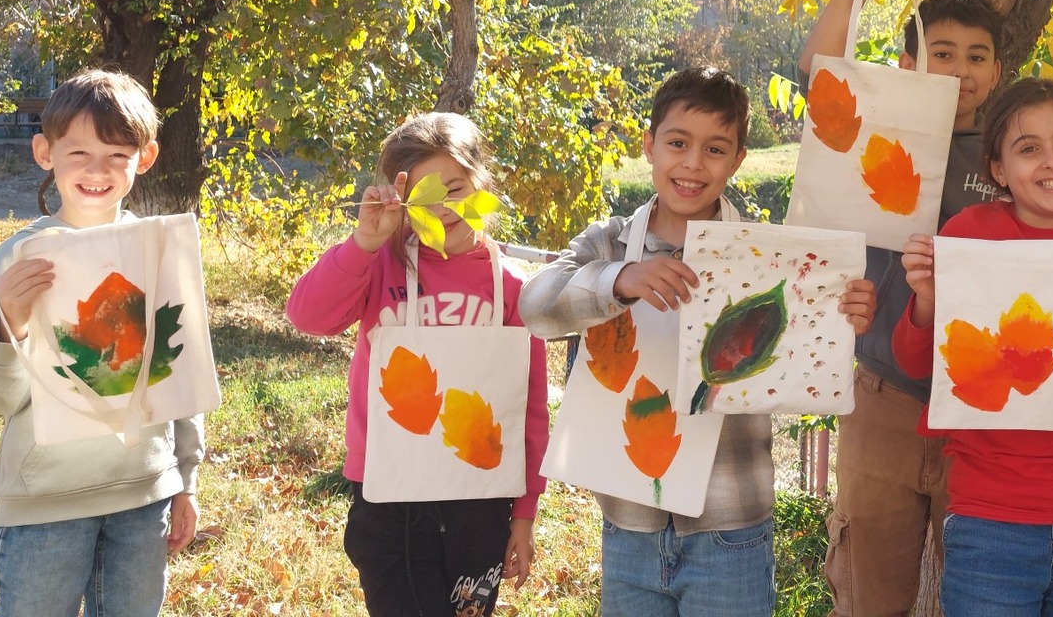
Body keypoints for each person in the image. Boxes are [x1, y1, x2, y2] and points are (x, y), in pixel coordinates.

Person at [520, 66, 877, 617]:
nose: (692, 164)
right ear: (649, 145)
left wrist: (846, 312)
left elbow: (811, 347)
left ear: (737, 161)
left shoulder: (765, 254)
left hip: (729, 528)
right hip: (629, 522)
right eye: (678, 143)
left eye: (715, 149)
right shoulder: (610, 241)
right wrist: (618, 279)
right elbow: (536, 307)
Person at [798, 0, 1007, 617]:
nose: (961, 69)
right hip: (882, 395)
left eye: (978, 57)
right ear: (909, 61)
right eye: (942, 52)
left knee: (974, 591)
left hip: (978, 412)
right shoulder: (879, 125)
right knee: (866, 589)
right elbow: (823, 69)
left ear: (998, 72)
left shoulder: (1012, 153)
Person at [893, 77, 1053, 617]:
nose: (1051, 162)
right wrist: (926, 301)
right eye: (1028, 148)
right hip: (990, 515)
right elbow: (918, 365)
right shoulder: (969, 233)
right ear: (997, 169)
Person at [286, 112, 547, 617]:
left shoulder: (513, 290)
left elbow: (530, 408)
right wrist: (363, 242)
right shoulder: (379, 263)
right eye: (426, 193)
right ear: (403, 198)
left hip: (480, 498)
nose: (444, 206)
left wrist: (524, 515)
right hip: (391, 499)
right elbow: (309, 316)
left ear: (481, 184)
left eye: (455, 187)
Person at [0, 68, 204, 617]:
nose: (97, 170)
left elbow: (183, 376)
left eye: (117, 154)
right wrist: (12, 322)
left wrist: (185, 478)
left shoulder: (158, 252)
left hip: (142, 496)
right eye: (78, 152)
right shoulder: (16, 261)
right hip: (44, 504)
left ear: (144, 158)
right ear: (44, 152)